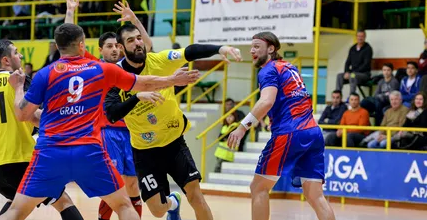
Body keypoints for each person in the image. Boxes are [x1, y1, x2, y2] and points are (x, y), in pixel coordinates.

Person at [0, 21, 200, 220]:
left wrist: (18, 88)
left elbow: (22, 115)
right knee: (123, 205)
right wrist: (172, 80)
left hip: (50, 153)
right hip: (89, 152)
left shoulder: (45, 74)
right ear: (82, 44)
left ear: (57, 47)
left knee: (16, 211)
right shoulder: (101, 69)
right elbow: (143, 83)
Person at [103, 24, 242, 220]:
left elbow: (189, 51)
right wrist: (137, 98)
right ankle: (173, 203)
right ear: (122, 47)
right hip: (145, 151)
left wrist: (221, 49)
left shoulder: (160, 60)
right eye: (130, 40)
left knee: (195, 195)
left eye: (138, 38)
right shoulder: (115, 75)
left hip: (174, 143)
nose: (137, 43)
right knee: (158, 211)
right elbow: (112, 114)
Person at [227, 32, 335, 220]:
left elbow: (267, 101)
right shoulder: (288, 67)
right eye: (251, 47)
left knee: (258, 187)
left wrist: (243, 126)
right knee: (315, 195)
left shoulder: (268, 70)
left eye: (257, 46)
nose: (252, 50)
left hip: (290, 132)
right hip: (312, 132)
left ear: (271, 49)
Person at [0, 40, 84, 220]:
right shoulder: (18, 80)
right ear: (6, 60)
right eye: (16, 52)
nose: (20, 56)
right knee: (63, 201)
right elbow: (33, 117)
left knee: (16, 206)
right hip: (17, 159)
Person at [95, 0, 154, 220]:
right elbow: (71, 50)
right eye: (109, 46)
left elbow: (147, 45)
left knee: (132, 182)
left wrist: (134, 20)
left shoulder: (128, 65)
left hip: (133, 130)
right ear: (101, 50)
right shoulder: (99, 68)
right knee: (114, 181)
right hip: (110, 131)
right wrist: (71, 12)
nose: (114, 49)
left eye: (116, 45)